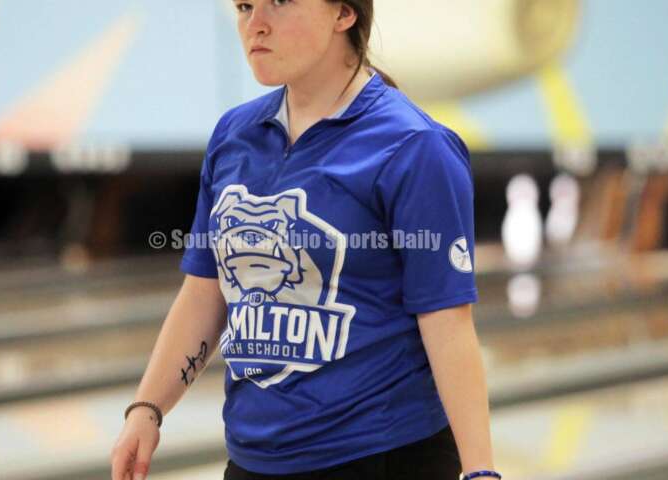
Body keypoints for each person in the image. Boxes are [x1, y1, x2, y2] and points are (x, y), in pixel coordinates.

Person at [111, 1, 501, 479]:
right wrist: (147, 409)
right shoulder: (234, 135)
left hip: (383, 457)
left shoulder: (414, 146)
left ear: (344, 14)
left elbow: (447, 323)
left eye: (279, 2)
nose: (255, 25)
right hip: (254, 458)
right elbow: (205, 291)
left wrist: (481, 471)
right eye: (244, 6)